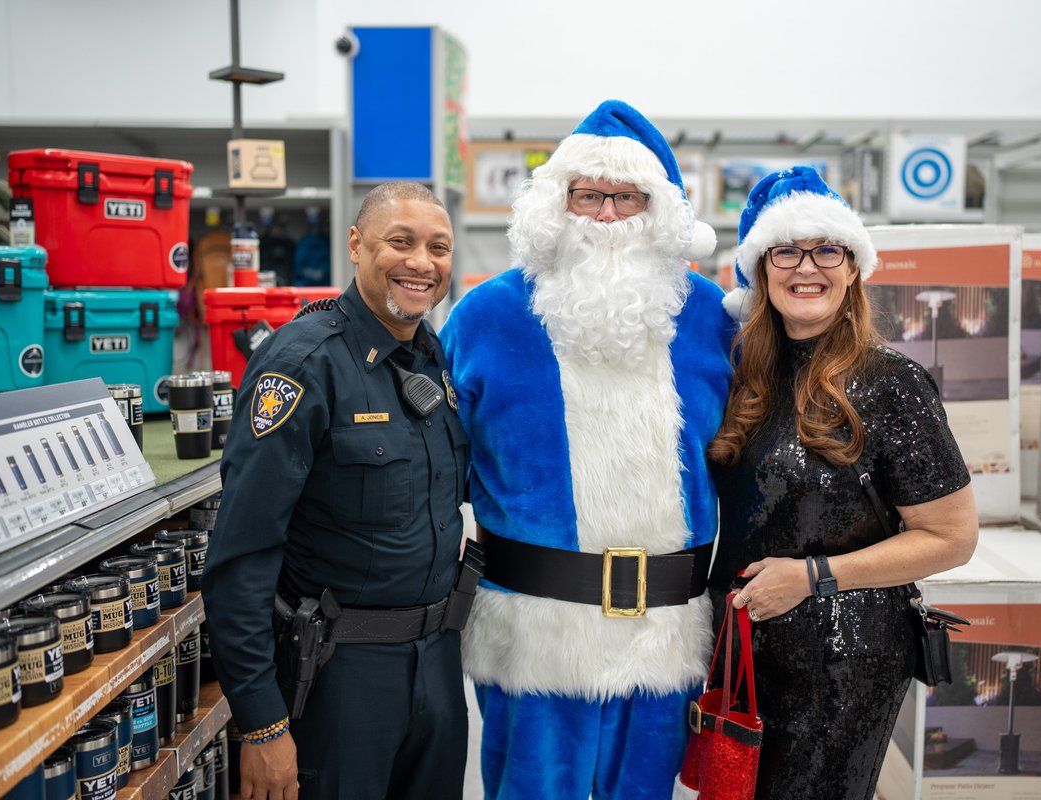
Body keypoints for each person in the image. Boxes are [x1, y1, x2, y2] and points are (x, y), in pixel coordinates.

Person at [440, 99, 736, 800]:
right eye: (589, 195)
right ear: (557, 204)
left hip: (665, 638)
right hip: (534, 635)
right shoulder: (486, 316)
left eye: (625, 196)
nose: (605, 214)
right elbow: (432, 464)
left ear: (657, 208)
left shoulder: (709, 319)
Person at [708, 165, 979, 800]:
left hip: (841, 663)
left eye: (827, 249)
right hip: (748, 654)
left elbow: (951, 537)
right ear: (762, 269)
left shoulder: (892, 384)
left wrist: (812, 576)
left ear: (853, 266)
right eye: (787, 251)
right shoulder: (747, 379)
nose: (808, 267)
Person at [202, 181, 471, 800]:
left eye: (438, 247)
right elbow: (240, 559)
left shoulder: (435, 360)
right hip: (338, 680)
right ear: (356, 245)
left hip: (436, 667)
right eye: (399, 242)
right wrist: (262, 725)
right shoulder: (301, 365)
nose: (421, 263)